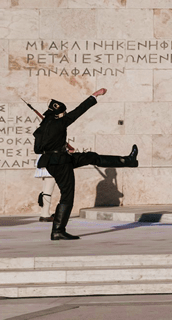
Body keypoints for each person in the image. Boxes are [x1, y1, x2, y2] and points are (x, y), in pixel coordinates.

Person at [35, 88, 139, 241]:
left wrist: (57, 145)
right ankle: (57, 230)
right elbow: (79, 111)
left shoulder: (41, 128)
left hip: (55, 161)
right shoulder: (60, 122)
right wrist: (94, 96)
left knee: (91, 157)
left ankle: (128, 161)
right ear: (59, 113)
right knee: (67, 197)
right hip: (61, 163)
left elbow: (38, 149)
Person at [34, 155, 56, 222]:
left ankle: (44, 213)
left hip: (43, 161)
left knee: (45, 190)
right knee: (48, 190)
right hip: (50, 162)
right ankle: (45, 215)